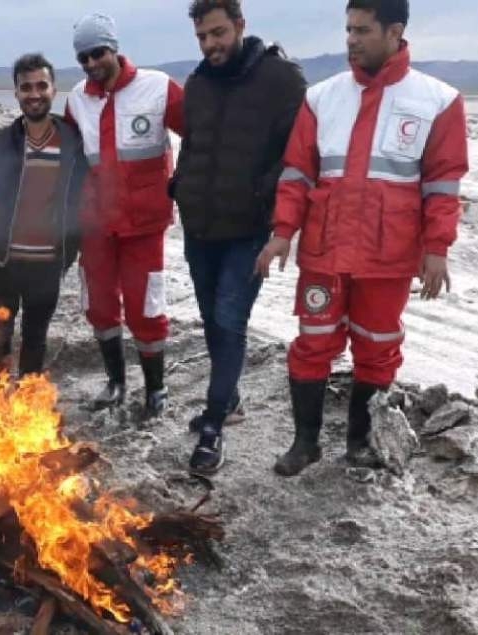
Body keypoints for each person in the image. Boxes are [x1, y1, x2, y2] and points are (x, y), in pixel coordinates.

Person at [255, 0, 469, 476]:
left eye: (363, 31)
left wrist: (437, 249)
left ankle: (360, 443)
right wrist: (282, 233)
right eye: (347, 29)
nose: (351, 40)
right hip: (324, 252)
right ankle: (305, 444)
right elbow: (297, 174)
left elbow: (442, 184)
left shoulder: (438, 101)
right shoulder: (322, 97)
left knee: (377, 348)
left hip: (387, 257)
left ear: (395, 32)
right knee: (312, 343)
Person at [172, 0, 307, 474]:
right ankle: (228, 401)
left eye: (217, 33)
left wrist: (264, 198)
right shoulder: (198, 83)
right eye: (202, 37)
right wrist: (180, 187)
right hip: (200, 226)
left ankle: (214, 425)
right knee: (211, 320)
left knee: (230, 322)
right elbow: (191, 145)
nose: (210, 45)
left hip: (247, 230)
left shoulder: (281, 79)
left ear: (240, 26)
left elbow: (298, 154)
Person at [66, 13, 185, 418]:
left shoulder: (158, 88)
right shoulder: (77, 98)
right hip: (96, 225)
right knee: (99, 305)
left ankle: (156, 389)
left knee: (145, 309)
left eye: (97, 53)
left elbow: (201, 134)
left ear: (113, 49)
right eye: (83, 57)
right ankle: (116, 382)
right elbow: (69, 157)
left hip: (143, 225)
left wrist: (185, 180)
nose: (90, 64)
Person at [0, 53, 87, 378]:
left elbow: (81, 202)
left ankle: (26, 409)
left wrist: (70, 254)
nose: (34, 94)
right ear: (16, 92)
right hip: (2, 262)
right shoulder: (0, 142)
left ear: (53, 89)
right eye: (26, 87)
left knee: (35, 341)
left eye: (41, 86)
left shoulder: (72, 142)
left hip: (47, 264)